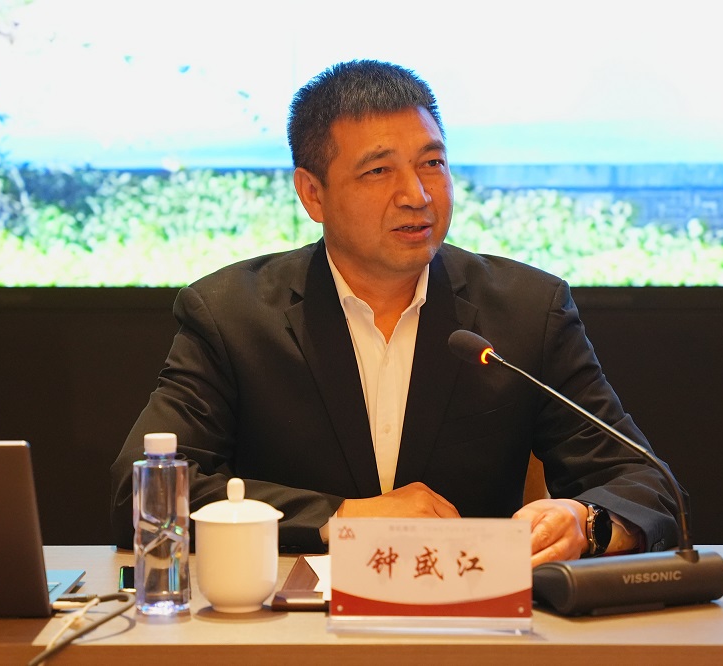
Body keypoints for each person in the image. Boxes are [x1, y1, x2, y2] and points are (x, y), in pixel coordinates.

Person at [110, 60, 681, 565]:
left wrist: (586, 523)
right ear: (312, 193)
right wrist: (343, 517)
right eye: (379, 171)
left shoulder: (528, 311)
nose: (417, 194)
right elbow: (142, 494)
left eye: (432, 162)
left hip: (472, 619)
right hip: (291, 626)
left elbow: (645, 485)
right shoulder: (232, 315)